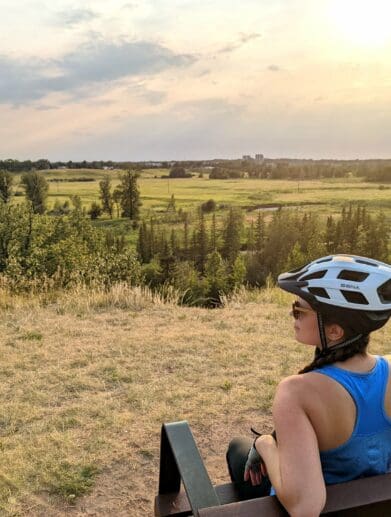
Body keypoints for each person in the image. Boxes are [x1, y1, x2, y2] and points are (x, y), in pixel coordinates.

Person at [226, 254, 391, 517]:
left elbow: (306, 506)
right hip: (377, 504)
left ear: (335, 331)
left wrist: (266, 445)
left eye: (298, 310)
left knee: (238, 449)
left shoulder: (296, 392)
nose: (293, 317)